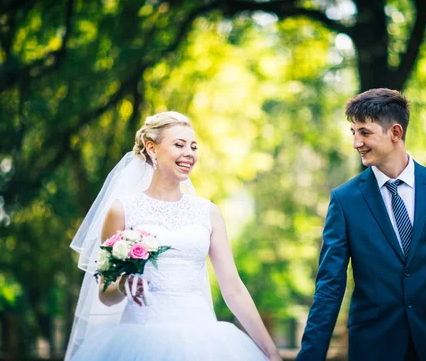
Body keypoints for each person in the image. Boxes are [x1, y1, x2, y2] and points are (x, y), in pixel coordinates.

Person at [66, 111, 281, 361]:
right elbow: (105, 294)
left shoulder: (208, 212)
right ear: (152, 149)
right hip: (139, 341)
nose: (189, 153)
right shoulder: (121, 210)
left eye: (193, 146)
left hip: (202, 342)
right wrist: (124, 285)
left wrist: (270, 351)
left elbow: (233, 290)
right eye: (179, 145)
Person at [297, 89, 426, 360]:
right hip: (375, 347)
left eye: (364, 132)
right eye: (353, 132)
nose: (356, 142)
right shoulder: (345, 200)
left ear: (395, 133)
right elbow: (329, 286)